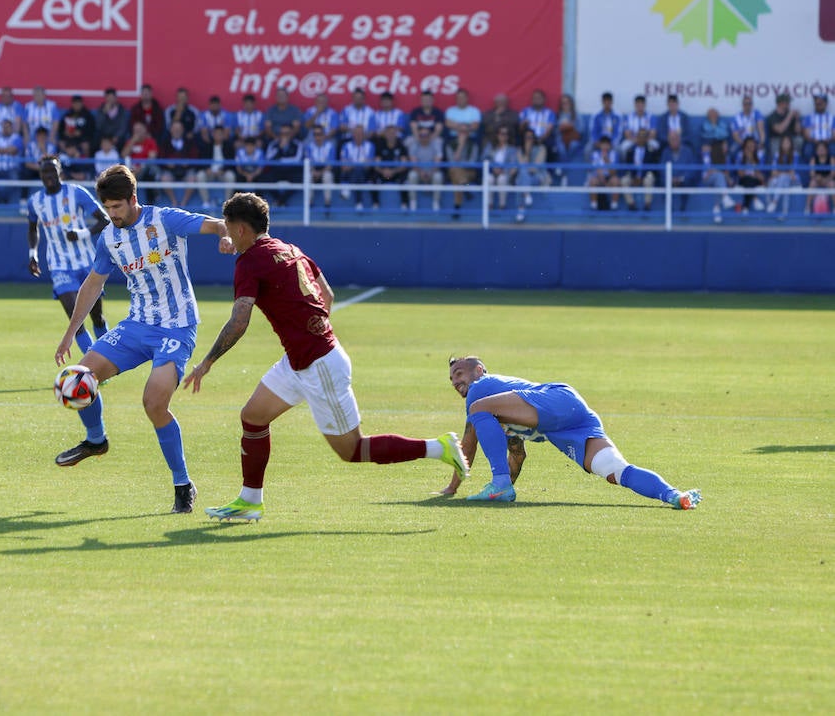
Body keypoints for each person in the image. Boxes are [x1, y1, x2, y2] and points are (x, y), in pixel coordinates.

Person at [182, 193, 469, 521]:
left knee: (353, 449)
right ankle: (250, 501)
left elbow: (239, 320)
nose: (228, 237)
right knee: (253, 417)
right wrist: (310, 334)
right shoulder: (290, 249)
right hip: (301, 360)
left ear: (241, 229)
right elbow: (327, 293)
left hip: (318, 365)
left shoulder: (249, 262)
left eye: (229, 229)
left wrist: (207, 362)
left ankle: (439, 447)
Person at [52, 164, 235, 514]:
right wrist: (70, 332)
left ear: (133, 198)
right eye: (107, 207)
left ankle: (183, 485)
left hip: (177, 326)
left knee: (153, 403)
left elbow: (215, 224)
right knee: (79, 376)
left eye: (117, 207)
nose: (112, 214)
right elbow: (93, 283)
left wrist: (224, 236)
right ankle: (96, 440)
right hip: (137, 324)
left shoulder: (164, 220)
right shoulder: (109, 237)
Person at [440, 356, 702, 509]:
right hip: (571, 418)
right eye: (451, 379)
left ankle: (498, 484)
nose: (455, 381)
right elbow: (517, 456)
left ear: (479, 370)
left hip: (555, 399)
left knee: (477, 409)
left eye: (459, 373)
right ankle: (675, 495)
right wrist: (505, 488)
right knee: (616, 472)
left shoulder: (480, 388)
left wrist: (453, 488)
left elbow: (468, 443)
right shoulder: (500, 412)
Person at [27, 155, 111, 354]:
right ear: (40, 175)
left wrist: (82, 233)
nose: (48, 175)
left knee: (97, 317)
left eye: (52, 171)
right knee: (76, 321)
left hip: (87, 262)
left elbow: (104, 219)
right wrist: (33, 254)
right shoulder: (35, 202)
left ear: (60, 172)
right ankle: (94, 365)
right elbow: (32, 228)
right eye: (44, 172)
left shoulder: (76, 193)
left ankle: (109, 357)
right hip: (59, 265)